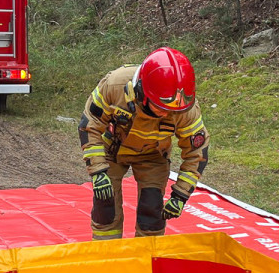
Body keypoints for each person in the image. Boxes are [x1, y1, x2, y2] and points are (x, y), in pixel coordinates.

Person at [78, 47, 210, 240]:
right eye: (160, 108)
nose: (167, 114)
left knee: (152, 212)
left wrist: (180, 195)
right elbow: (90, 125)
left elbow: (197, 151)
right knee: (105, 207)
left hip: (153, 155)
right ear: (142, 92)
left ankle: (147, 258)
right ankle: (106, 254)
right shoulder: (115, 85)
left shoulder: (183, 108)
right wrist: (98, 171)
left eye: (172, 110)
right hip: (113, 150)